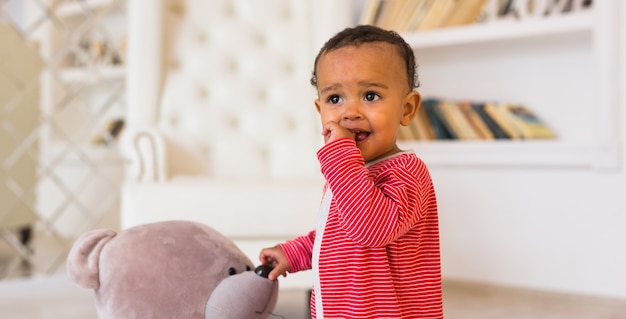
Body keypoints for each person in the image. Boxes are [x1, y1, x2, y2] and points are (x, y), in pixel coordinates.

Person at [259, 24, 443, 319]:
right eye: (335, 99)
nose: (350, 112)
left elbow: (370, 229)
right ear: (320, 111)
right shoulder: (349, 173)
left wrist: (341, 159)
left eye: (370, 96)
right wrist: (292, 253)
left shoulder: (407, 172)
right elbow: (337, 238)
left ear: (406, 109)